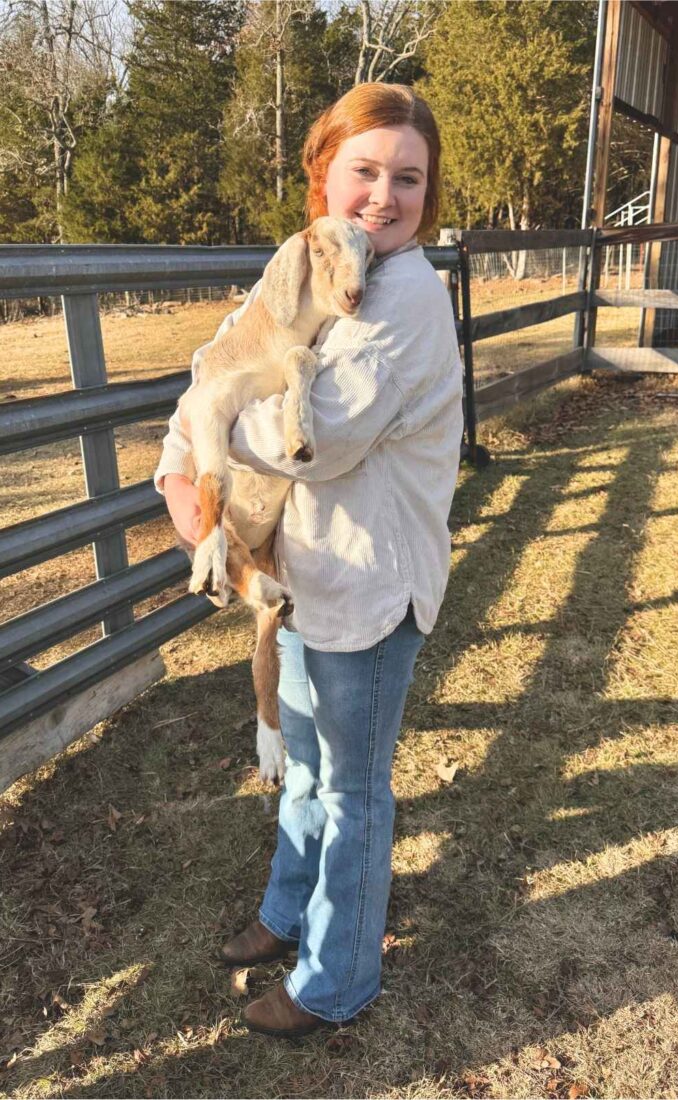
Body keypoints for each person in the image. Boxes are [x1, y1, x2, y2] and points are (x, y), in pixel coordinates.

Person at [154, 83, 463, 1038]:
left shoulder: (404, 293)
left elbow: (316, 440)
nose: (384, 194)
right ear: (323, 173)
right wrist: (187, 443)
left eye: (407, 177)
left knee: (355, 789)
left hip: (369, 586)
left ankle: (336, 980)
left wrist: (202, 428)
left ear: (429, 192)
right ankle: (288, 912)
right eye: (364, 170)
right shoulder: (305, 264)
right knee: (306, 771)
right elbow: (222, 353)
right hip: (306, 582)